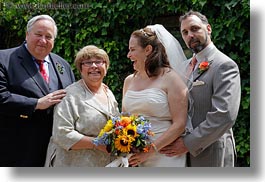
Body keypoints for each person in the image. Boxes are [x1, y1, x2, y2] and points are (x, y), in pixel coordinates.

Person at [160, 10, 241, 167]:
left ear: (208, 29)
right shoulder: (183, 67)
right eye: (185, 32)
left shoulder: (224, 65)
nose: (190, 35)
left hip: (212, 151)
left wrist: (187, 143)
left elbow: (224, 115)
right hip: (180, 156)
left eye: (195, 28)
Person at [0, 14, 75, 167]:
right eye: (38, 34)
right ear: (27, 34)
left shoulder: (63, 65)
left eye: (49, 36)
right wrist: (36, 103)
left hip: (56, 153)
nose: (43, 40)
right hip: (16, 151)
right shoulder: (4, 59)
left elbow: (74, 98)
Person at [122, 24, 191, 167]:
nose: (128, 55)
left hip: (165, 155)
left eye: (132, 50)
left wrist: (150, 150)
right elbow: (124, 118)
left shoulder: (171, 79)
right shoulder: (129, 81)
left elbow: (179, 124)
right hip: (135, 156)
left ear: (148, 50)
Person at [45, 45, 119, 167]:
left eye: (99, 61)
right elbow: (62, 134)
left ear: (106, 66)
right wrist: (97, 143)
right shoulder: (69, 95)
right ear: (80, 69)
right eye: (88, 62)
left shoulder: (108, 93)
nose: (94, 66)